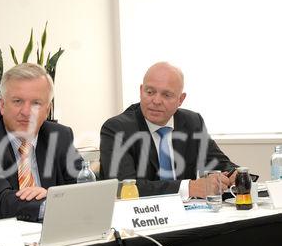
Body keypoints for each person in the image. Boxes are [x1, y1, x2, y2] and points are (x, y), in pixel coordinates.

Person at [0, 63, 82, 221]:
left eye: (36, 103)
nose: (26, 112)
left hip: (57, 231)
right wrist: (49, 202)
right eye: (17, 101)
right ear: (2, 105)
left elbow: (84, 188)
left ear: (47, 110)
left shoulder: (60, 136)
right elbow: (0, 203)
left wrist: (50, 196)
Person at [100, 61, 237, 199]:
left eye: (166, 95)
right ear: (141, 91)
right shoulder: (117, 129)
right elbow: (124, 188)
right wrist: (189, 188)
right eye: (150, 92)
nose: (156, 100)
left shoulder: (192, 122)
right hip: (143, 217)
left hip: (191, 215)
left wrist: (235, 175)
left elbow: (220, 163)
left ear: (180, 99)